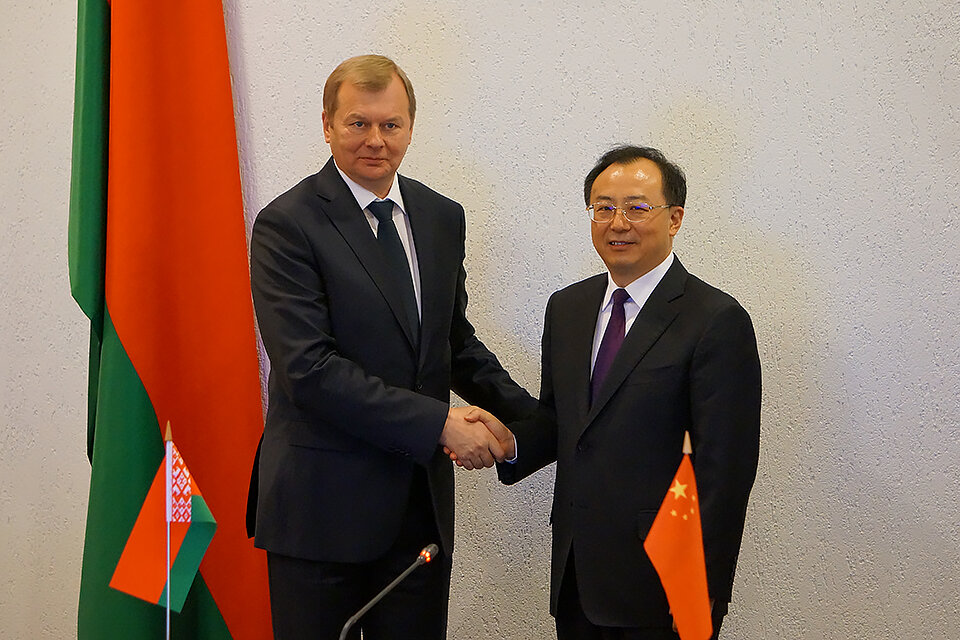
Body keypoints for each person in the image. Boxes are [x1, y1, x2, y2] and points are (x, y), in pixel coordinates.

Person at [247, 54, 536, 640]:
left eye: (391, 124)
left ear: (410, 127)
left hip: (417, 513)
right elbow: (309, 369)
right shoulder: (287, 224)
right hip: (320, 513)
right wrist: (440, 424)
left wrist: (538, 423)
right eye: (358, 123)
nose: (376, 140)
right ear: (327, 125)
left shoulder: (441, 217)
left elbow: (451, 343)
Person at [466, 145, 761, 639]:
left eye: (637, 208)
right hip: (578, 580)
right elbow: (565, 423)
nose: (618, 223)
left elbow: (724, 474)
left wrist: (698, 594)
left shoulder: (715, 320)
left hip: (663, 586)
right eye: (603, 208)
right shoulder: (568, 308)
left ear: (675, 218)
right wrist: (509, 441)